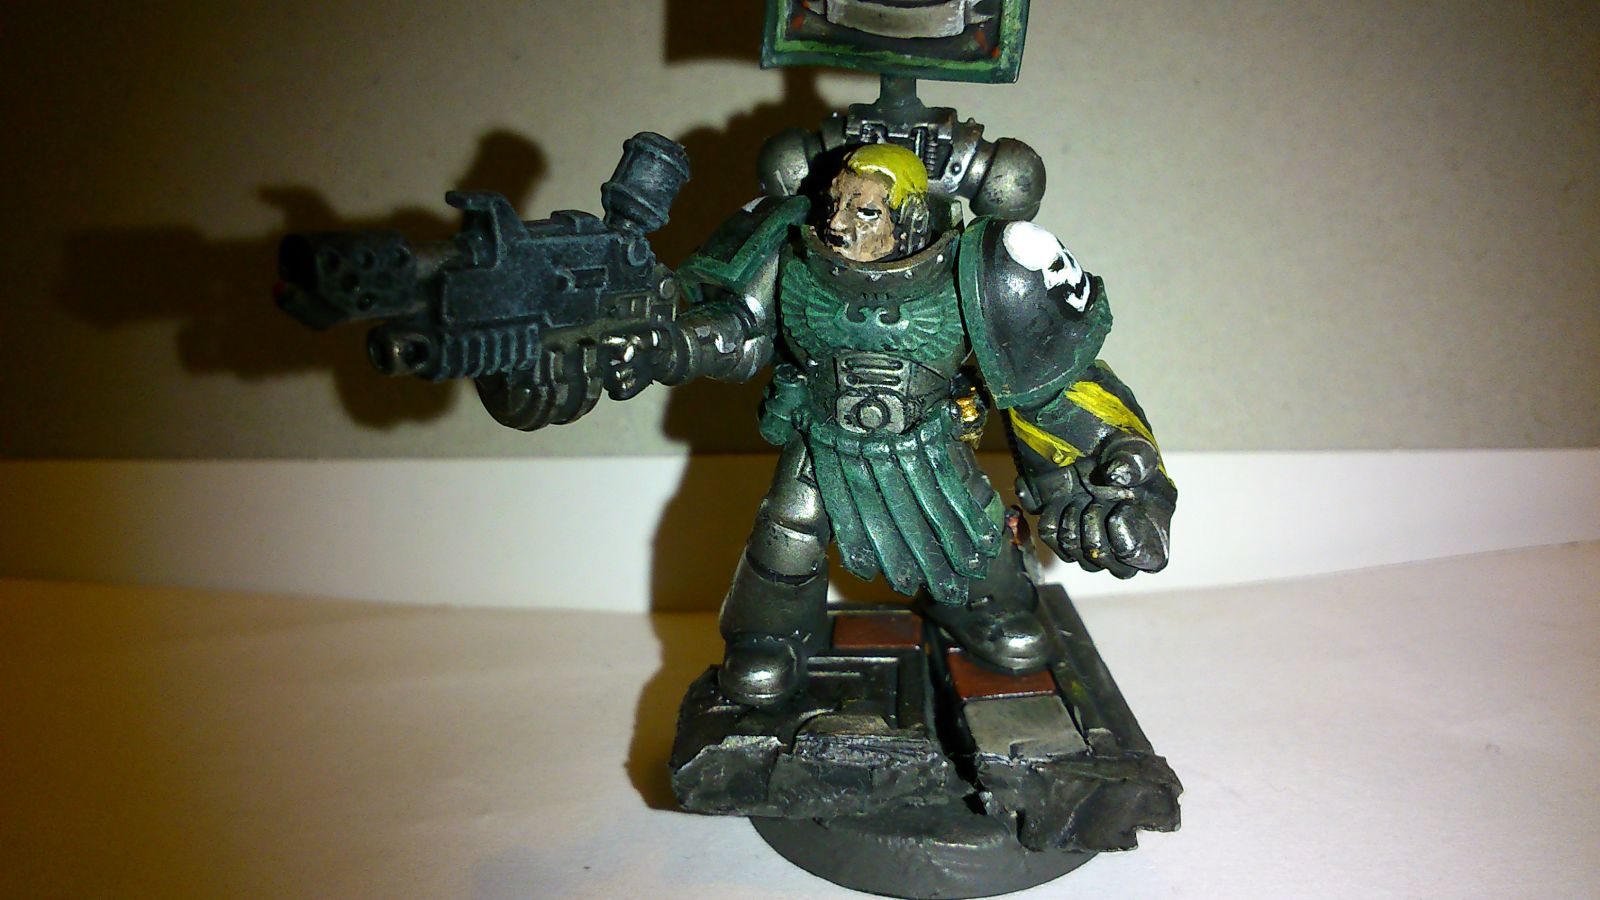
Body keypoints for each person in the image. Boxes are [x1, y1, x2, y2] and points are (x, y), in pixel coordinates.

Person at [657, 142, 1176, 706]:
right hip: (820, 439)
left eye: (864, 211)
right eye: (836, 204)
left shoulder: (972, 271)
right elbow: (738, 328)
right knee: (788, 533)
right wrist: (681, 342)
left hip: (929, 442)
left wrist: (1101, 456)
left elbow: (1048, 384)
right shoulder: (792, 255)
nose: (838, 224)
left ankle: (984, 608)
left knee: (971, 528)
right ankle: (768, 636)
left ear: (908, 219)